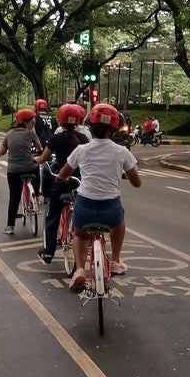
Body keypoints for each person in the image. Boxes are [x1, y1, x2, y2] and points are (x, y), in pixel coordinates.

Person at [55, 102, 141, 291]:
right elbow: (137, 182)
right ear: (113, 128)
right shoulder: (122, 152)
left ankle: (79, 270)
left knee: (80, 234)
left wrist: (62, 177)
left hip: (85, 205)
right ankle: (116, 260)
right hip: (110, 209)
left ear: (90, 126)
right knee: (120, 222)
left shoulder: (81, 150)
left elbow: (63, 172)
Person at [36, 102, 88, 263]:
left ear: (61, 120)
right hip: (80, 182)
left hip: (62, 180)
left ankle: (49, 252)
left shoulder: (56, 139)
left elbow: (44, 158)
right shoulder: (84, 138)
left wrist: (38, 159)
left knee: (53, 216)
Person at [0, 108, 42, 234]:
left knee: (14, 197)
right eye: (32, 122)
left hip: (13, 171)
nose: (33, 124)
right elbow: (40, 147)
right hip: (29, 167)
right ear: (25, 122)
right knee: (36, 166)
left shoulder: (9, 134)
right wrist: (39, 153)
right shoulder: (31, 133)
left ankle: (10, 226)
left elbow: (2, 150)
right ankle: (36, 195)